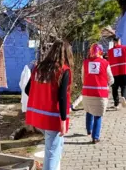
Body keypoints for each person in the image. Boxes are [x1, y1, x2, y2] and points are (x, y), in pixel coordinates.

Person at [25, 39, 73, 170]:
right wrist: (63, 120)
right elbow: (62, 97)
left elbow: (27, 89)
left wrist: (41, 99)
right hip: (52, 118)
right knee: (52, 153)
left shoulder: (38, 68)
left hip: (38, 116)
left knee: (55, 148)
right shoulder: (63, 70)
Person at [82, 43, 114, 144]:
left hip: (87, 92)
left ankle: (89, 130)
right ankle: (95, 137)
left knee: (89, 110)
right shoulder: (105, 63)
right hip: (100, 93)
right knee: (98, 114)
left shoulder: (85, 63)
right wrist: (108, 84)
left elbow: (82, 77)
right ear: (101, 51)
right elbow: (111, 78)